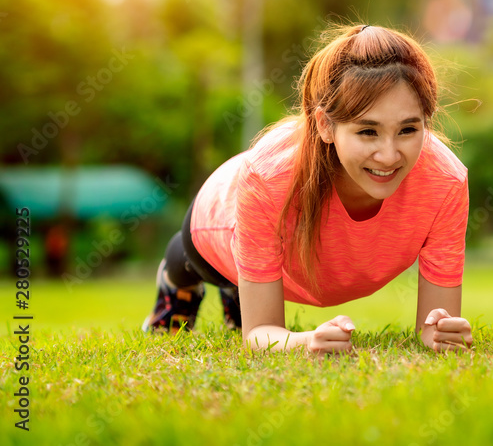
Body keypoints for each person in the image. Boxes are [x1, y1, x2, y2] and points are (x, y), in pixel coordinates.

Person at [142, 24, 473, 355]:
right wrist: (304, 342)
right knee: (188, 261)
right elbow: (257, 335)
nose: (388, 155)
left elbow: (434, 325)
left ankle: (240, 291)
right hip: (219, 219)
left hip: (277, 244)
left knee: (248, 291)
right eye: (368, 131)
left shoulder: (446, 182)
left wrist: (439, 334)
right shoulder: (266, 178)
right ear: (326, 125)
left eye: (408, 129)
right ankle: (186, 284)